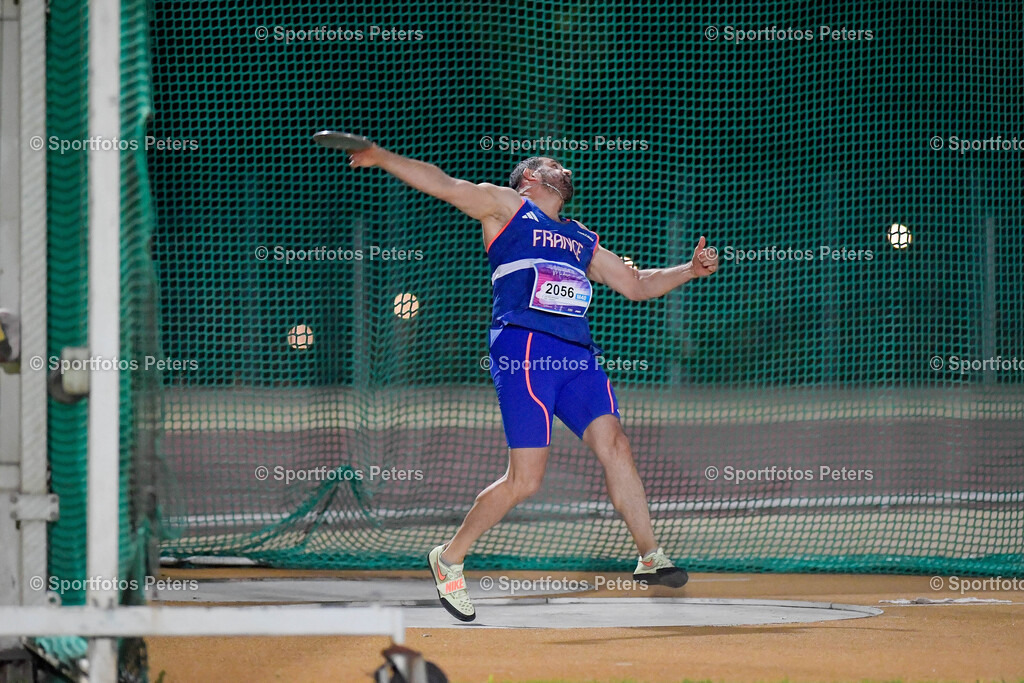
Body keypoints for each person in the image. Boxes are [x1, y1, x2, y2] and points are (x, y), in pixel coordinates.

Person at [348, 148, 719, 622]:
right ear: (528, 178)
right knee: (526, 480)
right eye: (550, 164)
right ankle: (449, 558)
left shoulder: (580, 237)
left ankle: (650, 556)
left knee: (616, 444)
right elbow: (442, 183)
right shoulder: (507, 207)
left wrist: (689, 270)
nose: (562, 167)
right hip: (525, 348)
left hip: (577, 355)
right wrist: (380, 156)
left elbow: (636, 284)